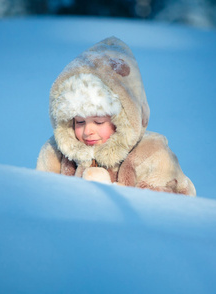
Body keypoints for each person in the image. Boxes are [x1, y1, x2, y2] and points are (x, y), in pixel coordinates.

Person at [36, 36, 196, 196]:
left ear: (122, 120)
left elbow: (177, 205)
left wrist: (118, 194)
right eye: (79, 121)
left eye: (98, 122)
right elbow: (42, 197)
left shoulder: (152, 155)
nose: (87, 131)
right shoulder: (56, 153)